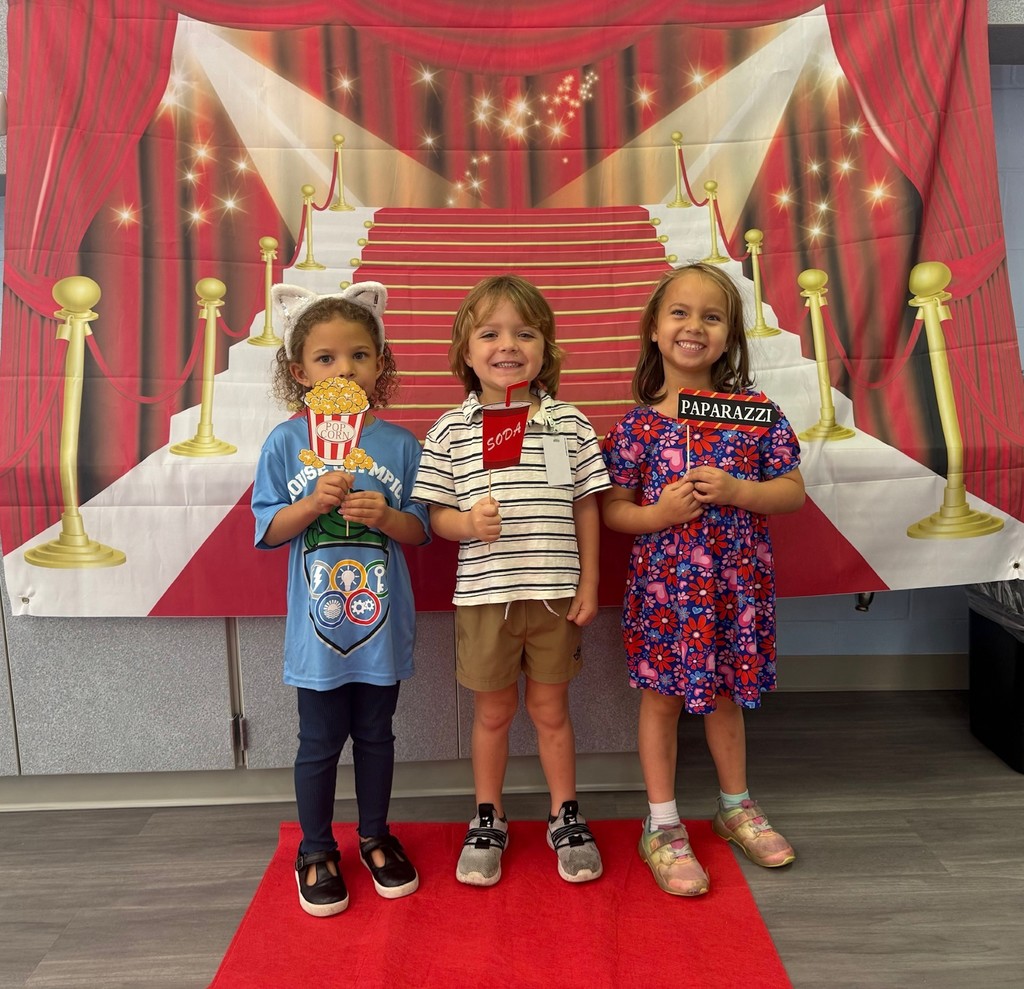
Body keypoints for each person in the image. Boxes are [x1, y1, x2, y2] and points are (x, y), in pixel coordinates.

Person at [600, 262, 805, 897]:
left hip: (733, 593)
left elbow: (792, 491)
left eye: (712, 317)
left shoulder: (755, 414)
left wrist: (741, 490)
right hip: (666, 597)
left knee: (725, 697)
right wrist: (658, 514)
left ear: (729, 336)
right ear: (654, 330)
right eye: (680, 313)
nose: (694, 326)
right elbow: (613, 510)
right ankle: (662, 823)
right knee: (660, 700)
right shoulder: (635, 426)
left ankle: (735, 805)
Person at [412, 274, 610, 886]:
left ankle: (564, 813)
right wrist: (468, 523)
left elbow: (587, 506)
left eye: (525, 333)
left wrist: (589, 583)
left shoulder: (570, 424)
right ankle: (488, 816)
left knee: (551, 710)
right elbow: (436, 515)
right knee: (493, 712)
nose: (508, 346)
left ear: (546, 347)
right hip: (484, 599)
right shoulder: (450, 429)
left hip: (554, 596)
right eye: (490, 334)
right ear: (465, 352)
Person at [252, 282, 428, 916]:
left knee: (377, 735)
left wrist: (386, 515)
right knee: (319, 741)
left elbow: (421, 531)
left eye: (359, 355)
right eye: (326, 358)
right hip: (317, 632)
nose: (344, 369)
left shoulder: (400, 445)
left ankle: (376, 836)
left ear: (380, 365)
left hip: (381, 622)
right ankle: (317, 848)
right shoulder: (284, 443)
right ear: (300, 372)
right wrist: (310, 504)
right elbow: (268, 531)